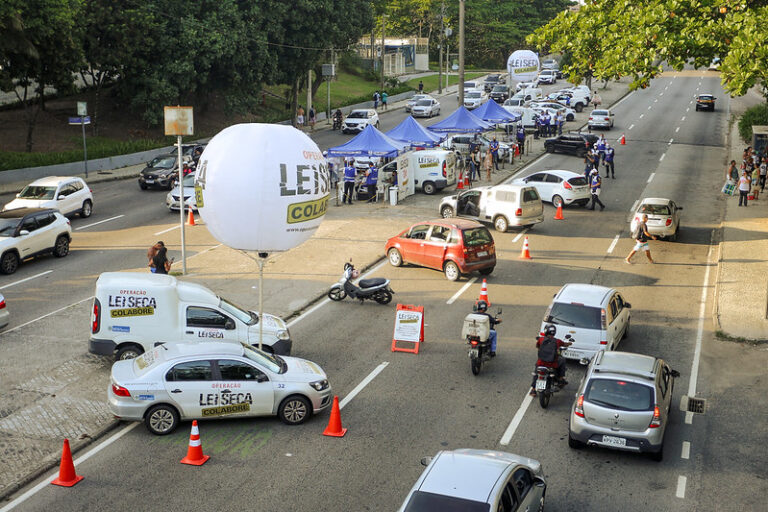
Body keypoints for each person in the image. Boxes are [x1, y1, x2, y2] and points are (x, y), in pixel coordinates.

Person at [529, 324, 572, 396]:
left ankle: (533, 390)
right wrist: (570, 343)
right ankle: (561, 378)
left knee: (536, 372)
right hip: (552, 364)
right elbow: (564, 344)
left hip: (541, 363)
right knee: (562, 360)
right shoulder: (557, 341)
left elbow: (537, 346)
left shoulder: (541, 339)